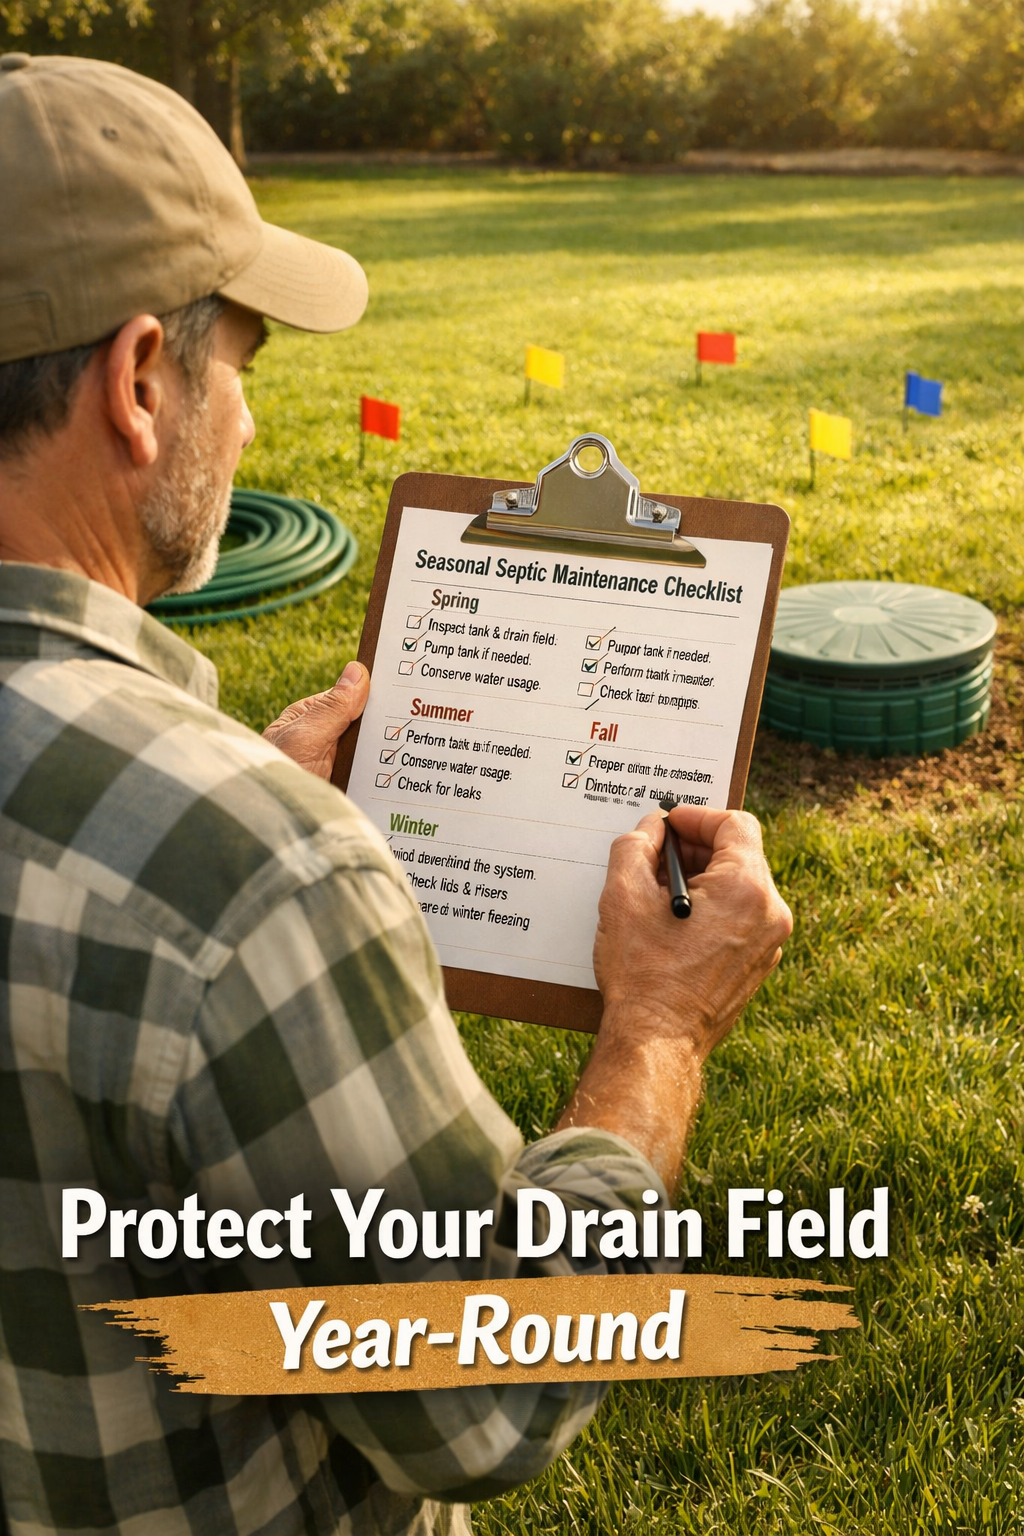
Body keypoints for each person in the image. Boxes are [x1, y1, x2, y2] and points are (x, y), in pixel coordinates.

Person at [0, 52, 793, 1536]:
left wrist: (235, 813)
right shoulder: (246, 877)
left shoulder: (223, 850)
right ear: (138, 379)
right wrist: (663, 1033)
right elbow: (480, 1396)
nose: (239, 422)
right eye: (239, 361)